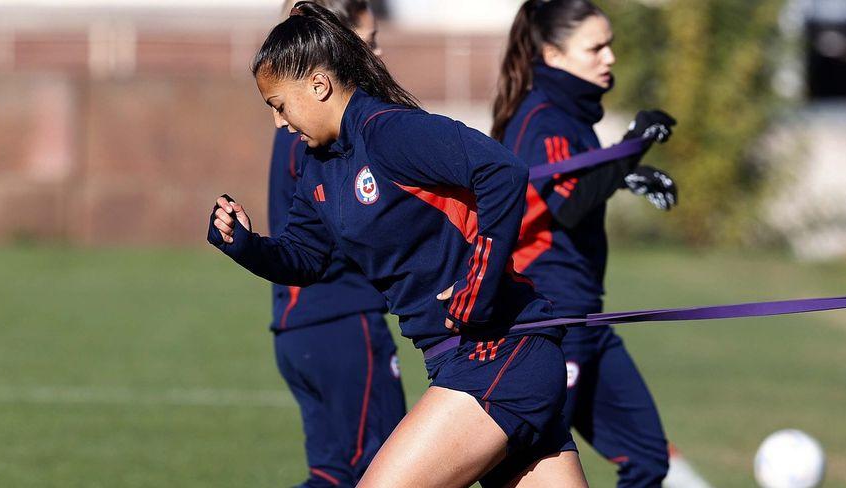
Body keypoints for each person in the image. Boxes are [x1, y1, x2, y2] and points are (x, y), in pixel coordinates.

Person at [209, 2, 587, 485]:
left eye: (279, 106)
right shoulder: (320, 167)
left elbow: (503, 172)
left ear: (319, 85)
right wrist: (245, 246)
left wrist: (477, 288)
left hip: (500, 354)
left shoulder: (389, 131)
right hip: (463, 359)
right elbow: (305, 257)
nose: (280, 124)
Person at [490, 2, 705, 487]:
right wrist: (633, 147)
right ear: (552, 53)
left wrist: (624, 173)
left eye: (611, 44)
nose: (609, 57)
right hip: (552, 319)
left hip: (587, 317)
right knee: (523, 467)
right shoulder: (542, 116)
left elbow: (570, 188)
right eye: (596, 47)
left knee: (648, 457)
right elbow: (566, 204)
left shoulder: (569, 114)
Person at [263, 1, 403, 486]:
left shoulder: (301, 128)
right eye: (370, 39)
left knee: (332, 476)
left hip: (300, 330)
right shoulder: (320, 135)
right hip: (342, 324)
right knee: (388, 472)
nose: (379, 52)